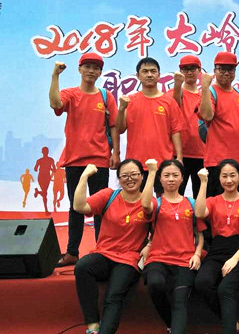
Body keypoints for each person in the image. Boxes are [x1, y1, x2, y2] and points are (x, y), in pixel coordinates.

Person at [67, 159, 155, 334]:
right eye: (125, 175)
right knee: (82, 267)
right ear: (119, 178)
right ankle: (93, 328)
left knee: (113, 296)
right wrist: (84, 176)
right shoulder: (109, 195)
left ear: (141, 176)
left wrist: (149, 245)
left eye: (134, 174)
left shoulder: (148, 200)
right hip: (104, 254)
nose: (130, 179)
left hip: (129, 260)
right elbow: (79, 206)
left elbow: (159, 226)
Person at [49, 53, 120, 267]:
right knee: (75, 207)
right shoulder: (71, 94)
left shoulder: (106, 97)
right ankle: (72, 252)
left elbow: (114, 126)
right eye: (87, 67)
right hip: (75, 159)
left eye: (96, 68)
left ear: (100, 72)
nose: (91, 71)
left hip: (99, 159)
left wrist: (116, 153)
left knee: (100, 207)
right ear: (80, 69)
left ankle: (103, 250)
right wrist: (55, 75)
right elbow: (55, 103)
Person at [141, 158, 205, 334]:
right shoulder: (156, 203)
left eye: (175, 175)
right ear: (160, 179)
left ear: (182, 178)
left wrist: (197, 253)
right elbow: (144, 205)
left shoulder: (191, 203)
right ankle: (175, 326)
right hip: (158, 258)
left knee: (180, 299)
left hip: (185, 260)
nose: (171, 179)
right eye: (166, 175)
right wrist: (150, 173)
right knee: (155, 285)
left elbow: (200, 233)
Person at [194, 159, 239, 334]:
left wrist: (235, 259)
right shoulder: (213, 200)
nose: (229, 180)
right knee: (202, 282)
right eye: (224, 176)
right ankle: (235, 326)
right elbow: (199, 213)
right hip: (217, 251)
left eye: (233, 175)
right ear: (218, 178)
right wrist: (203, 183)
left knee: (225, 288)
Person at [116, 57, 184, 195]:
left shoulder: (169, 102)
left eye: (153, 71)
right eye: (145, 71)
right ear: (138, 75)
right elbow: (120, 129)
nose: (149, 75)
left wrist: (179, 157)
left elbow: (175, 131)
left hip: (163, 162)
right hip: (136, 164)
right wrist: (121, 109)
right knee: (137, 201)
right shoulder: (130, 101)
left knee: (163, 200)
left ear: (159, 75)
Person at [199, 52, 239, 197]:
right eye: (222, 69)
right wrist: (205, 87)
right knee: (217, 204)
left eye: (230, 69)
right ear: (215, 70)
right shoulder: (210, 92)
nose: (226, 73)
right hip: (219, 161)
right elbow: (207, 115)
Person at [170, 55, 205, 197]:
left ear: (199, 70)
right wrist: (177, 85)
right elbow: (174, 107)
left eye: (193, 69)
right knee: (175, 195)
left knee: (201, 196)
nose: (189, 72)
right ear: (181, 71)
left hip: (202, 154)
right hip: (179, 154)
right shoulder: (175, 92)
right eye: (185, 69)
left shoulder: (206, 95)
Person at [34, 146, 56, 214]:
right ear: (47, 152)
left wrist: (42, 166)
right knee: (45, 193)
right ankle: (46, 210)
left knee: (44, 193)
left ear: (42, 152)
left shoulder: (40, 160)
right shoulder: (50, 160)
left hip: (43, 177)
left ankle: (38, 192)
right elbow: (54, 170)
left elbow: (35, 169)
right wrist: (49, 168)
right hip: (45, 177)